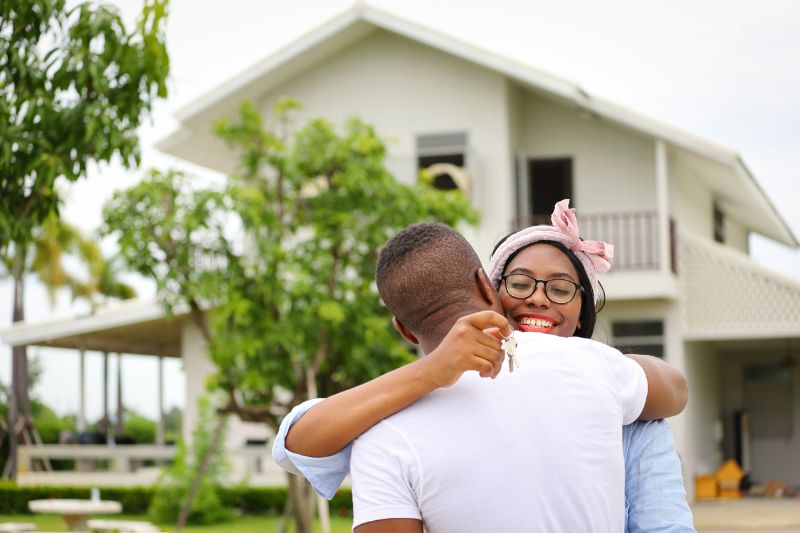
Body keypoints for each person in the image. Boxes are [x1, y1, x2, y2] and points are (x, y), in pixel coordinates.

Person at [273, 201, 694, 531]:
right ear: (487, 286)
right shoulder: (387, 414)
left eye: (562, 289)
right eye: (520, 283)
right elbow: (296, 441)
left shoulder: (382, 434)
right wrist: (432, 372)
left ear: (403, 329)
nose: (539, 300)